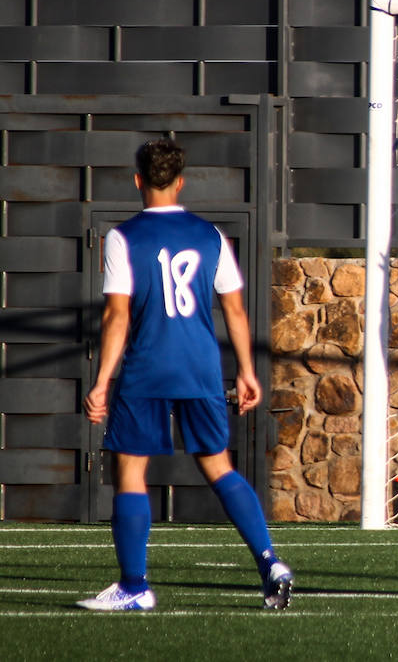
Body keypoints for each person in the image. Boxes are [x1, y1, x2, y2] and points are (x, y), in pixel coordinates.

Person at [79, 138, 292, 612]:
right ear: (180, 182)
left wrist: (100, 382)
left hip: (148, 368)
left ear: (137, 181)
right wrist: (246, 371)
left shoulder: (122, 238)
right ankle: (270, 562)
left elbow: (117, 318)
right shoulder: (211, 235)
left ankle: (135, 587)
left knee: (131, 469)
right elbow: (234, 309)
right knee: (219, 465)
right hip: (200, 366)